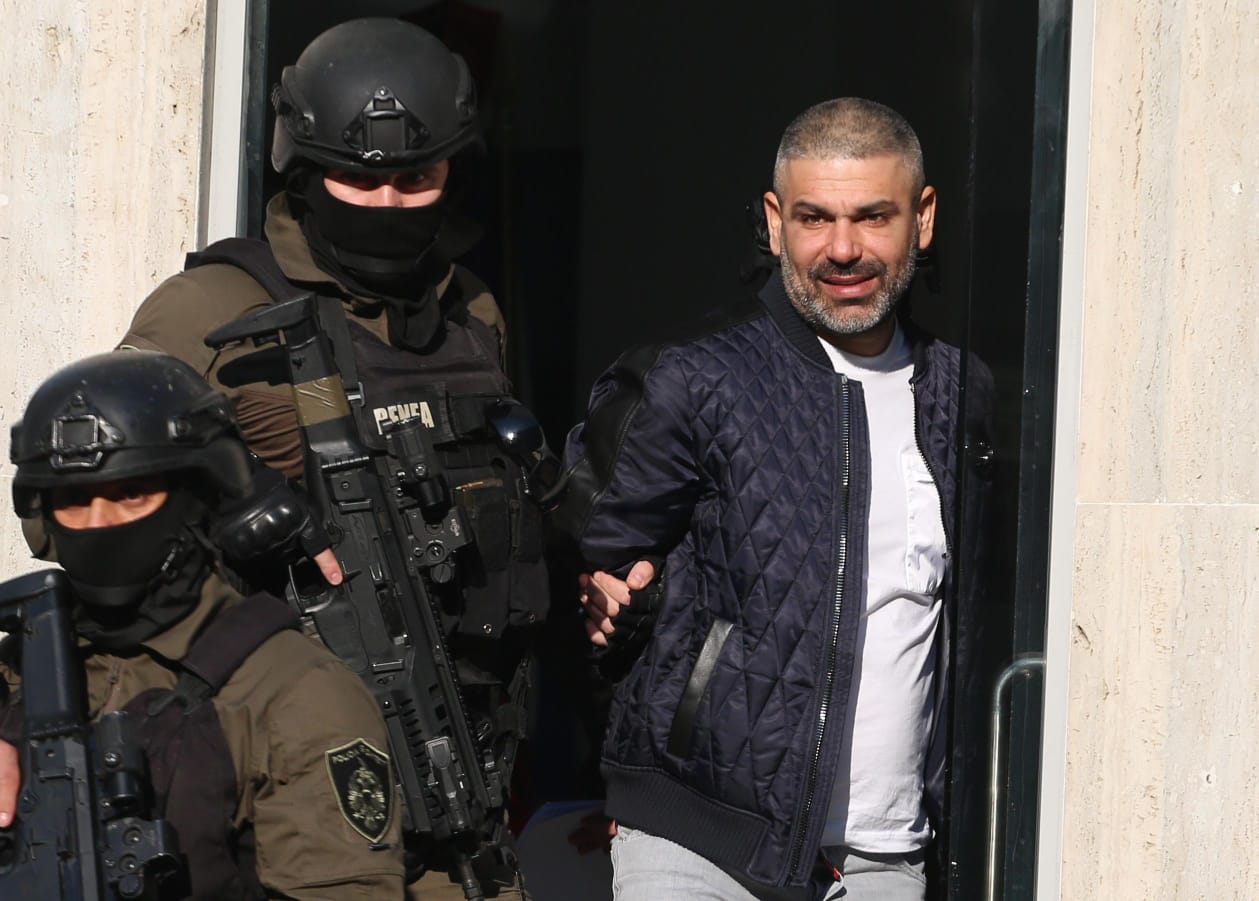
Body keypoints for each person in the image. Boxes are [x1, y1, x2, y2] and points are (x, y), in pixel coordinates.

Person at [116, 18, 546, 898]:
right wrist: (228, 505)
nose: (386, 204)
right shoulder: (205, 310)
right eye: (359, 179)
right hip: (280, 791)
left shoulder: (471, 313)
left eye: (414, 180)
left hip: (460, 779)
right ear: (303, 168)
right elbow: (80, 509)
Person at [555, 98, 994, 900]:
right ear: (772, 220)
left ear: (922, 218)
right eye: (813, 218)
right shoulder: (693, 378)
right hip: (698, 839)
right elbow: (590, 569)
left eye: (872, 216)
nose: (842, 249)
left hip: (885, 852)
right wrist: (617, 608)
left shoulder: (962, 393)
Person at [0, 350, 406, 898]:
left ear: (197, 496)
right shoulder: (20, 666)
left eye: (131, 493)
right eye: (73, 499)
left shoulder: (293, 692)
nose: (99, 523)